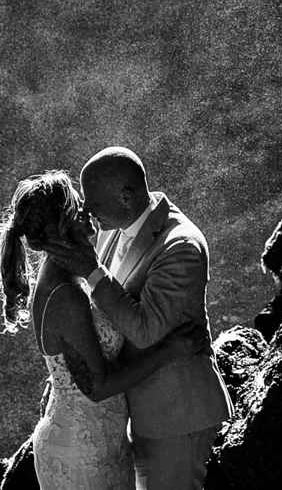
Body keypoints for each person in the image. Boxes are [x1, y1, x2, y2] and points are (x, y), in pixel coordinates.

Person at [0, 171, 206, 490]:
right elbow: (97, 386)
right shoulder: (67, 295)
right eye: (79, 205)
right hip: (82, 452)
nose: (87, 211)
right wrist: (171, 350)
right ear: (64, 224)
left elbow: (70, 360)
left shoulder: (65, 275)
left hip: (98, 438)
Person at [41, 148, 234, 490]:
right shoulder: (112, 226)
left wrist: (92, 271)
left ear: (126, 197)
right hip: (133, 413)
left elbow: (145, 330)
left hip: (177, 416)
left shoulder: (181, 246)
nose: (86, 211)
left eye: (92, 202)